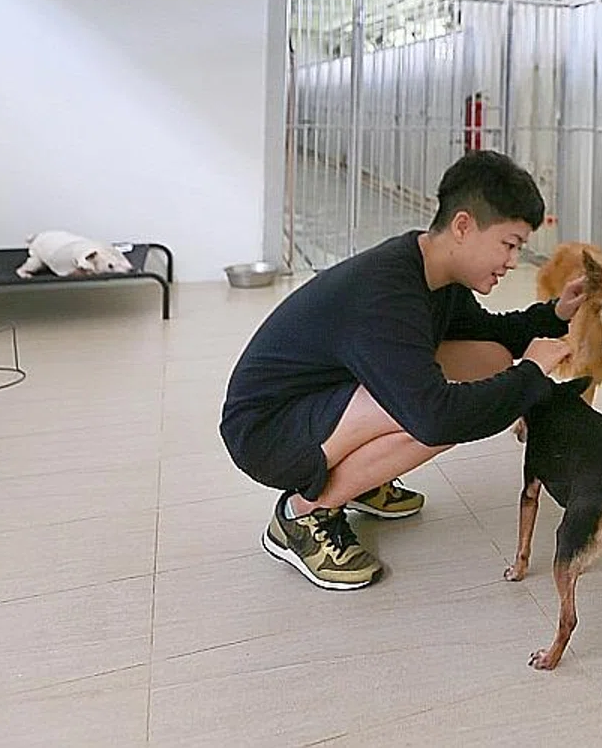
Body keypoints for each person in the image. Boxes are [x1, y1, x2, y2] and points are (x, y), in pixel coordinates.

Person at [220, 150, 581, 589]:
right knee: (438, 411)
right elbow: (437, 418)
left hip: (320, 399)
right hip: (268, 433)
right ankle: (303, 515)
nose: (512, 261)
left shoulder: (434, 272)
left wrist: (555, 314)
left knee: (488, 361)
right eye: (509, 244)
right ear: (463, 226)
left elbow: (490, 335)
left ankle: (360, 480)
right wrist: (532, 375)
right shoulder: (387, 293)